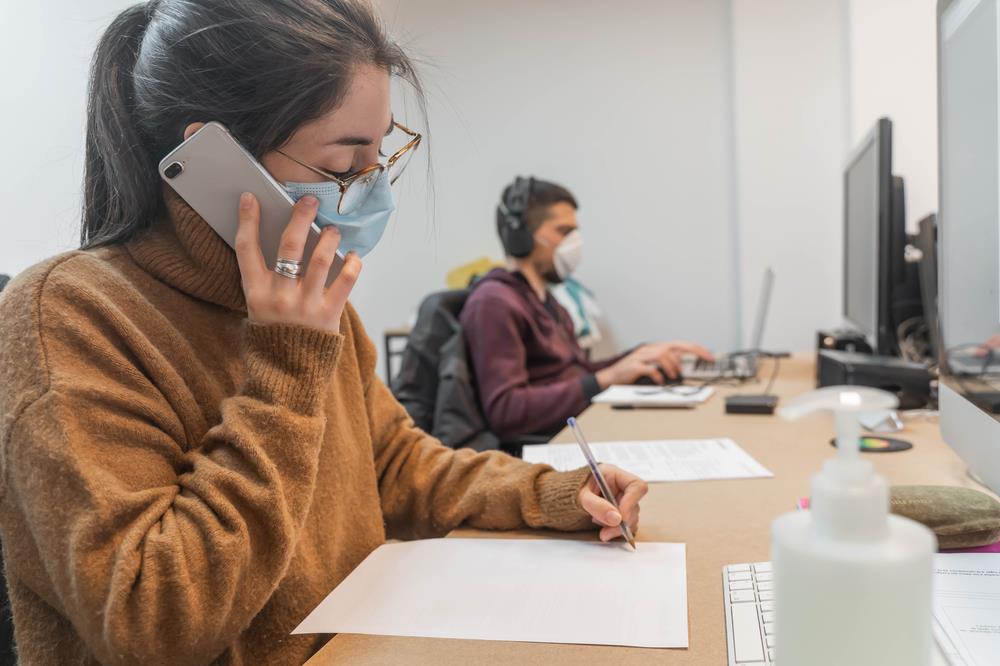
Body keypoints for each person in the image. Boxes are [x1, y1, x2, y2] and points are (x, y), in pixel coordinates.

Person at [0, 3, 647, 664]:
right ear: (216, 160)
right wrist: (284, 368)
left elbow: (395, 465)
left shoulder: (309, 299)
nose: (371, 191)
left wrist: (555, 495)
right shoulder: (68, 314)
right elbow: (154, 619)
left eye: (380, 154)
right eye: (345, 164)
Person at [460, 176, 714, 440]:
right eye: (563, 232)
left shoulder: (545, 299)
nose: (574, 243)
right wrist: (607, 378)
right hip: (549, 446)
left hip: (575, 427)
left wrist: (642, 355)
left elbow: (577, 373)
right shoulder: (494, 303)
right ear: (520, 235)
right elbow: (506, 411)